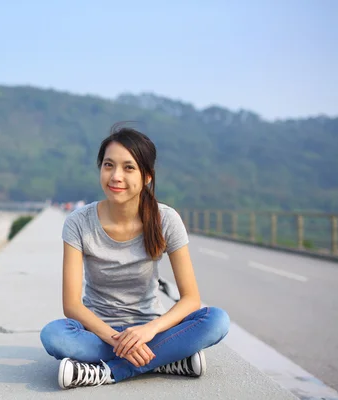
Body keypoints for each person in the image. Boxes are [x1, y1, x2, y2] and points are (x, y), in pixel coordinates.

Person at [39, 125, 230, 390]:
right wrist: (119, 341)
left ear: (147, 176)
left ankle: (108, 372)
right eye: (108, 165)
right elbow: (72, 305)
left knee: (216, 320)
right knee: (54, 336)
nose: (116, 176)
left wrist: (149, 331)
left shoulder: (166, 220)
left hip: (150, 327)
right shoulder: (78, 223)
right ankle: (163, 360)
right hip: (99, 332)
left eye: (128, 168)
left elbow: (191, 299)